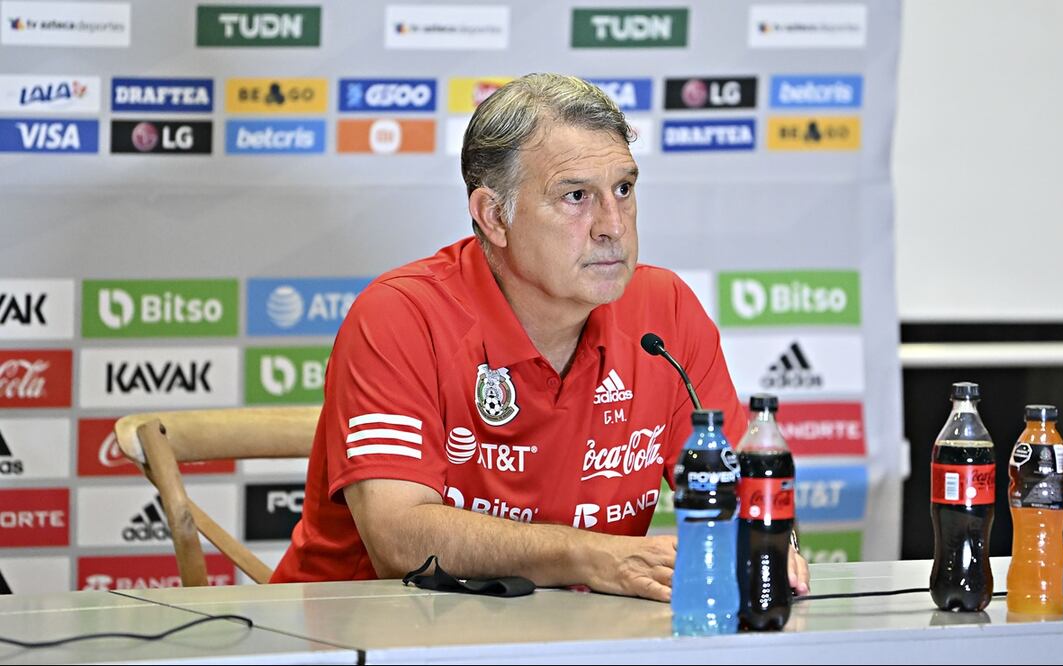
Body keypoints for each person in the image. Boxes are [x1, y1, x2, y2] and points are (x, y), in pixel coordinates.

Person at [271, 73, 810, 600]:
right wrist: (593, 556)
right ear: (493, 216)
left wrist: (763, 541)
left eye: (623, 189)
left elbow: (746, 496)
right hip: (363, 638)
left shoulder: (663, 310)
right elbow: (399, 541)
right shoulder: (400, 316)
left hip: (573, 636)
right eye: (576, 196)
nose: (613, 225)